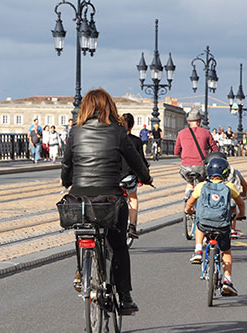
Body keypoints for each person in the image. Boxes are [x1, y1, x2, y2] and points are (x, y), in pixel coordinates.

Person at [61, 88, 152, 315]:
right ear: (109, 107)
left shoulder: (75, 132)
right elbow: (135, 161)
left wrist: (66, 181)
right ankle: (125, 296)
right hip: (110, 198)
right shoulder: (118, 131)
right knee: (119, 246)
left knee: (82, 232)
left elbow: (66, 165)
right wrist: (146, 177)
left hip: (80, 197)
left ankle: (82, 272)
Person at [185, 157, 245, 296]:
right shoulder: (229, 187)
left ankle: (198, 250)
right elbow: (241, 204)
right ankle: (227, 280)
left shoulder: (201, 186)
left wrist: (188, 211)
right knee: (226, 252)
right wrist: (241, 215)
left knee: (199, 224)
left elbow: (190, 202)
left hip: (205, 223)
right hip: (223, 225)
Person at [174, 110, 219, 198]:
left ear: (188, 121)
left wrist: (184, 158)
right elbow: (215, 150)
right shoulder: (206, 133)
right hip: (201, 166)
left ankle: (187, 197)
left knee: (190, 183)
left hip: (186, 166)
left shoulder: (181, 133)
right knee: (202, 183)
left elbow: (176, 152)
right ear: (199, 121)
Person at [205, 152, 247, 239]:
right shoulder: (234, 171)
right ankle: (232, 230)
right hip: (231, 198)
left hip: (212, 202)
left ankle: (202, 238)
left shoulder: (208, 173)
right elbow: (244, 184)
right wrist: (244, 193)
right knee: (233, 209)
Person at [121, 113, 149, 239]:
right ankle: (132, 226)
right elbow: (140, 160)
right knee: (133, 198)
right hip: (129, 177)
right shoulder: (136, 141)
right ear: (132, 125)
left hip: (115, 177)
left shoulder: (114, 140)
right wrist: (145, 175)